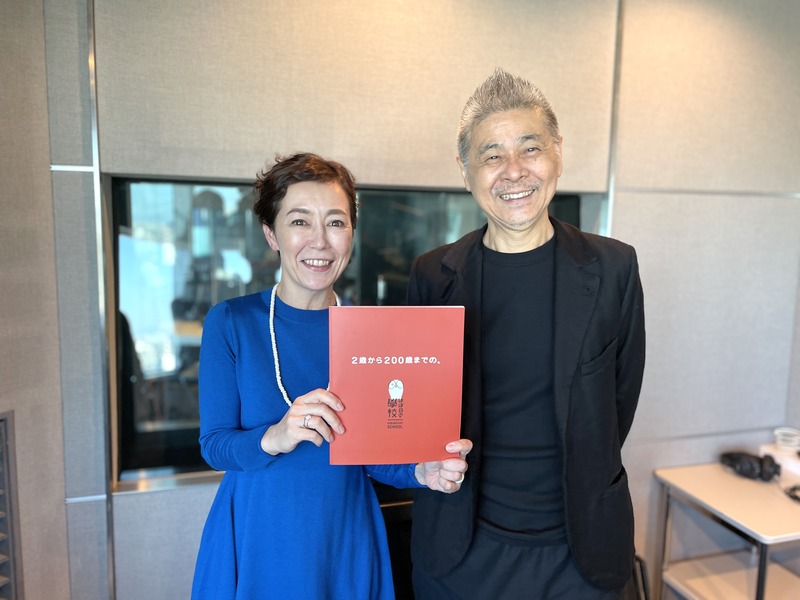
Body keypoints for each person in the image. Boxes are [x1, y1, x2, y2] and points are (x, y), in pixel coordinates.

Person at [407, 69, 646, 599]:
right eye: (492, 155)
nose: (514, 171)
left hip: (579, 551)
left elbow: (620, 401)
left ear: (557, 152)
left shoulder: (614, 268)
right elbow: (416, 410)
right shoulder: (432, 275)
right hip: (461, 549)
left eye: (530, 148)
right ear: (465, 170)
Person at [191, 152, 472, 600]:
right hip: (259, 534)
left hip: (345, 533)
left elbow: (374, 452)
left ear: (351, 234)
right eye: (300, 221)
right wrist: (276, 436)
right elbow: (215, 445)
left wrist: (422, 470)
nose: (320, 241)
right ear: (271, 233)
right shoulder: (231, 322)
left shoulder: (373, 331)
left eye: (336, 222)